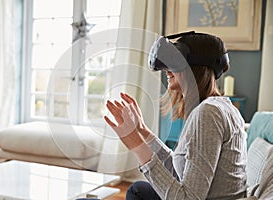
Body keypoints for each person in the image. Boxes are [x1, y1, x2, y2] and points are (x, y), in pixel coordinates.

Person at [104, 32, 247, 200]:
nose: (166, 69)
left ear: (195, 66)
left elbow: (188, 198)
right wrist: (141, 130)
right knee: (138, 190)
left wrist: (136, 144)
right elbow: (181, 170)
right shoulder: (217, 107)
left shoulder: (209, 113)